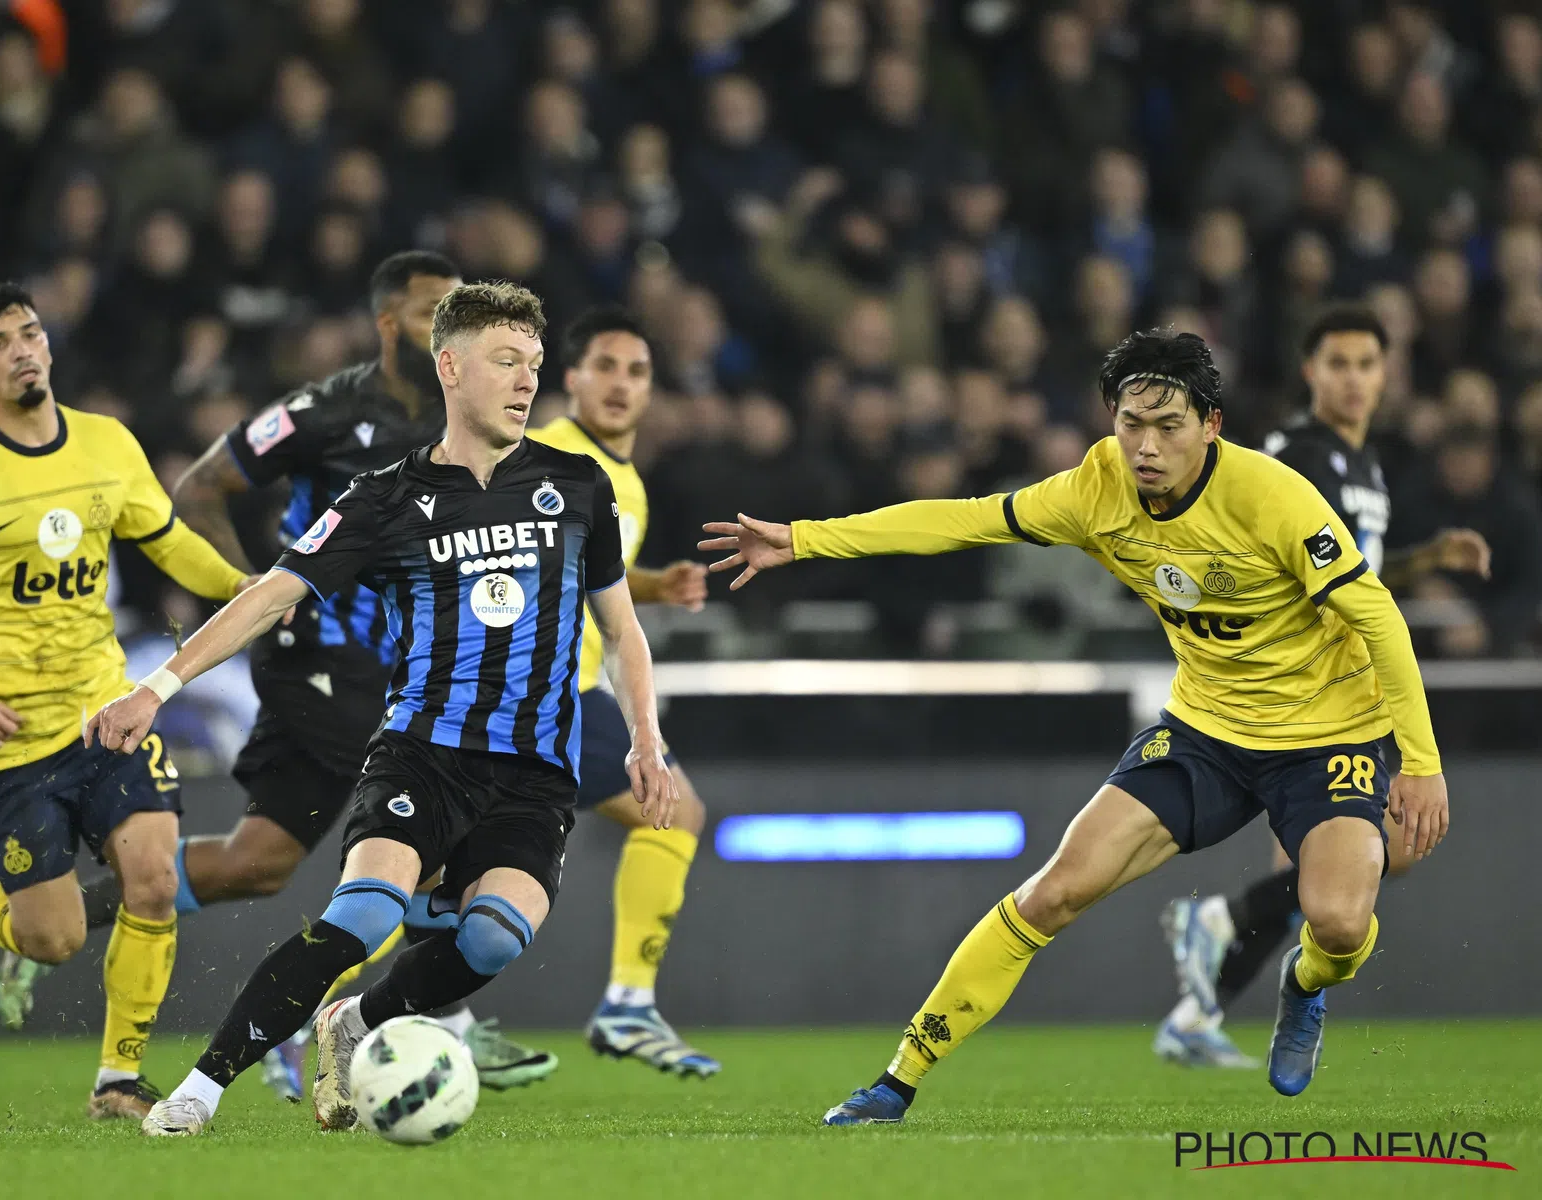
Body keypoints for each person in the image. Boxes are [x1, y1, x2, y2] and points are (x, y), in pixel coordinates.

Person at [700, 328, 1449, 1122]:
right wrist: (805, 540)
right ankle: (898, 1078)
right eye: (1131, 423)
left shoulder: (1275, 497)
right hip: (1206, 733)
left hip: (1328, 735)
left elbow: (1377, 615)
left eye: (1169, 426)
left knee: (1337, 925)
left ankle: (1303, 984)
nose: (1147, 446)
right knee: (1050, 894)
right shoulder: (1095, 491)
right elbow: (962, 520)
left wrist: (1421, 760)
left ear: (1212, 425)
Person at [77, 281, 674, 1138]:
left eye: (534, 366)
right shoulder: (384, 498)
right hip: (421, 753)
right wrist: (155, 688)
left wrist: (645, 740)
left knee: (496, 940)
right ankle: (202, 1088)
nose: (525, 382)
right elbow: (268, 597)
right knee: (364, 913)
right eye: (507, 362)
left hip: (536, 772)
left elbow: (621, 630)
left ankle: (355, 1022)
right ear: (451, 368)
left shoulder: (576, 485)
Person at [0, 250, 555, 1096]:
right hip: (317, 660)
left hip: (401, 669)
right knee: (424, 842)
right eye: (433, 309)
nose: (451, 324)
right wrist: (255, 585)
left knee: (261, 861)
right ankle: (387, 1026)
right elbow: (200, 485)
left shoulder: (476, 430)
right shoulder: (326, 411)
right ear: (391, 322)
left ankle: (72, 909)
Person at [0, 282, 252, 1119]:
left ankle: (117, 1081)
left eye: (30, 333)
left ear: (48, 347)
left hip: (103, 711)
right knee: (49, 940)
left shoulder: (105, 445)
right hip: (8, 741)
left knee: (153, 881)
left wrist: (243, 588)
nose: (20, 349)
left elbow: (166, 542)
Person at [1153, 305, 1489, 1067]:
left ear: (1385, 374)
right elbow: (1281, 567)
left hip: (1340, 684)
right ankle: (1218, 932)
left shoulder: (1358, 464)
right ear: (1311, 373)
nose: (1354, 379)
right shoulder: (1297, 456)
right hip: (1312, 693)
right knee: (1377, 853)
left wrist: (1425, 557)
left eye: (1367, 364)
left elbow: (1348, 568)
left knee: (1316, 867)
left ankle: (1195, 1015)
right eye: (1338, 363)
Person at [504, 306, 718, 1075]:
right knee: (673, 812)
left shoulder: (626, 480)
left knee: (439, 872)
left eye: (636, 371)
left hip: (570, 690)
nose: (621, 384)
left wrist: (654, 586)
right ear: (570, 378)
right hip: (534, 685)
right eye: (605, 366)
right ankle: (627, 1005)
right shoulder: (544, 453)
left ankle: (318, 1021)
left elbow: (599, 579)